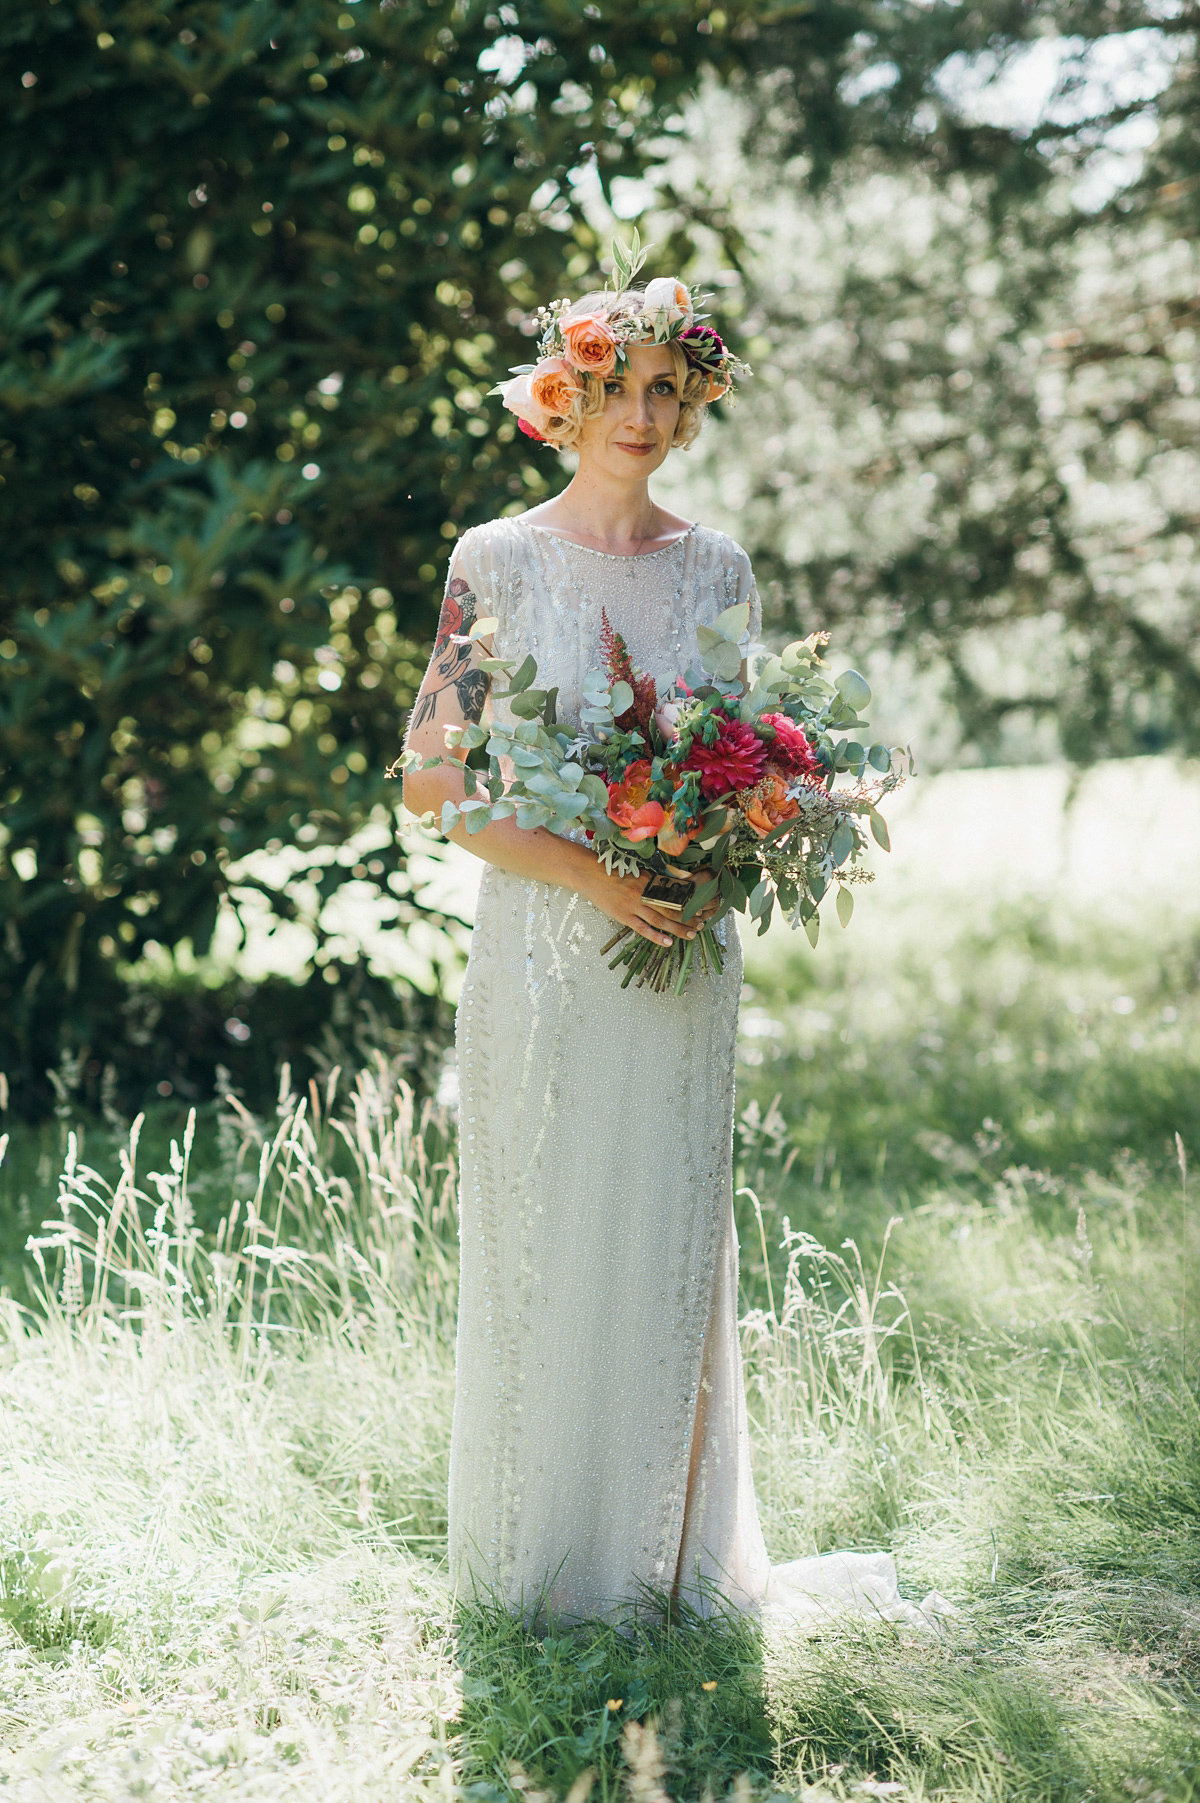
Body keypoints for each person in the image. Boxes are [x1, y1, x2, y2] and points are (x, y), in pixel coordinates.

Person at [404, 256, 942, 1634]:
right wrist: (594, 873)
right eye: (615, 387)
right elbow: (434, 789)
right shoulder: (494, 562)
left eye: (667, 390)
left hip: (680, 957)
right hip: (545, 946)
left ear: (691, 404)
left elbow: (740, 760)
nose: (640, 414)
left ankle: (662, 1568)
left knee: (665, 1243)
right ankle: (540, 1569)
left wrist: (769, 819)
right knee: (545, 1232)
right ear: (565, 394)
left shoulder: (718, 568)